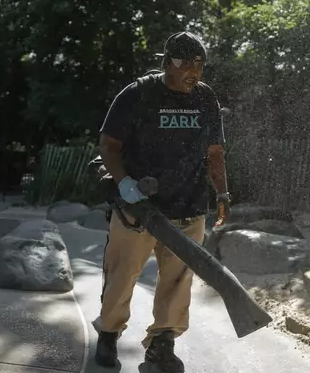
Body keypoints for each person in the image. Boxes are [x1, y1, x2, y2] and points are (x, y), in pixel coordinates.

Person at [92, 31, 232, 372]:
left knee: (178, 282)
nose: (194, 72)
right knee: (122, 274)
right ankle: (109, 335)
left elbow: (215, 153)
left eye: (200, 64)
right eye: (186, 63)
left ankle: (161, 343)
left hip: (189, 207)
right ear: (168, 62)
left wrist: (223, 193)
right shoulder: (138, 94)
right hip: (137, 209)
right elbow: (108, 146)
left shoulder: (205, 99)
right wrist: (124, 184)